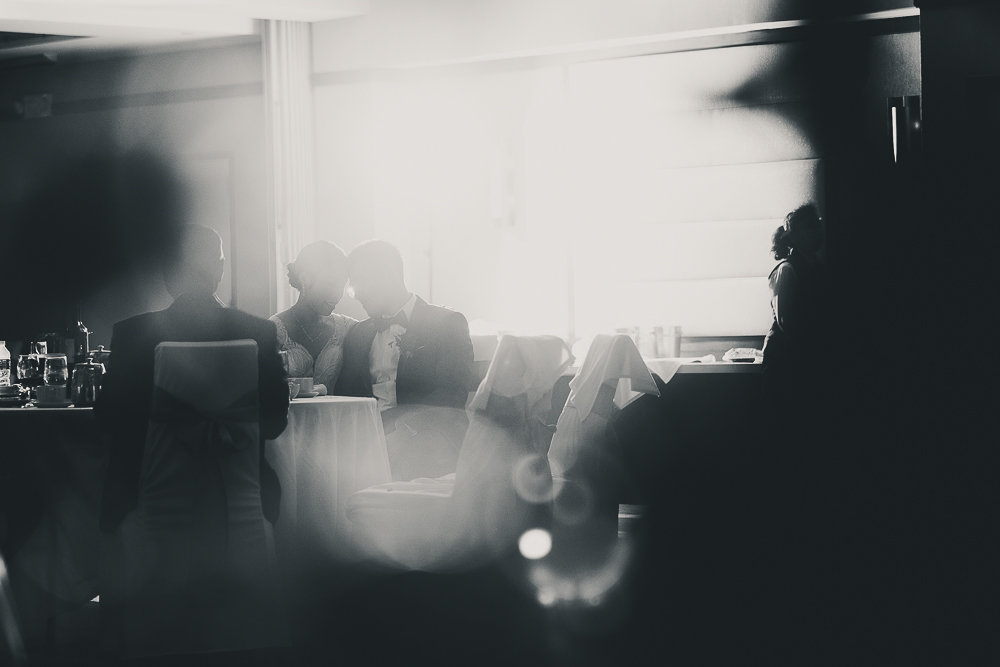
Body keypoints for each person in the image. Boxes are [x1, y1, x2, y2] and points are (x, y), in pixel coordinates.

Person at [95, 225, 290, 533]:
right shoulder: (260, 332)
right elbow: (275, 422)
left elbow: (107, 419)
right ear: (220, 269)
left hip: (142, 503)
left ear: (166, 272)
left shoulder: (131, 334)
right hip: (240, 499)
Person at [334, 240, 475, 481]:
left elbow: (451, 394)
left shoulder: (446, 323)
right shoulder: (359, 334)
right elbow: (345, 395)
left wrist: (402, 429)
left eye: (360, 281)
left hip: (430, 442)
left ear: (390, 273)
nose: (355, 293)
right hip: (368, 446)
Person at [762, 203, 828, 407]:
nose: (818, 230)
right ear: (796, 236)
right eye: (811, 226)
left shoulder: (817, 268)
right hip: (786, 361)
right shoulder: (787, 269)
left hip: (802, 360)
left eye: (818, 224)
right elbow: (787, 322)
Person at [270, 241, 357, 391]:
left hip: (336, 414)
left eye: (342, 286)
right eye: (330, 284)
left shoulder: (348, 328)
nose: (338, 295)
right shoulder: (273, 330)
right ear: (305, 279)